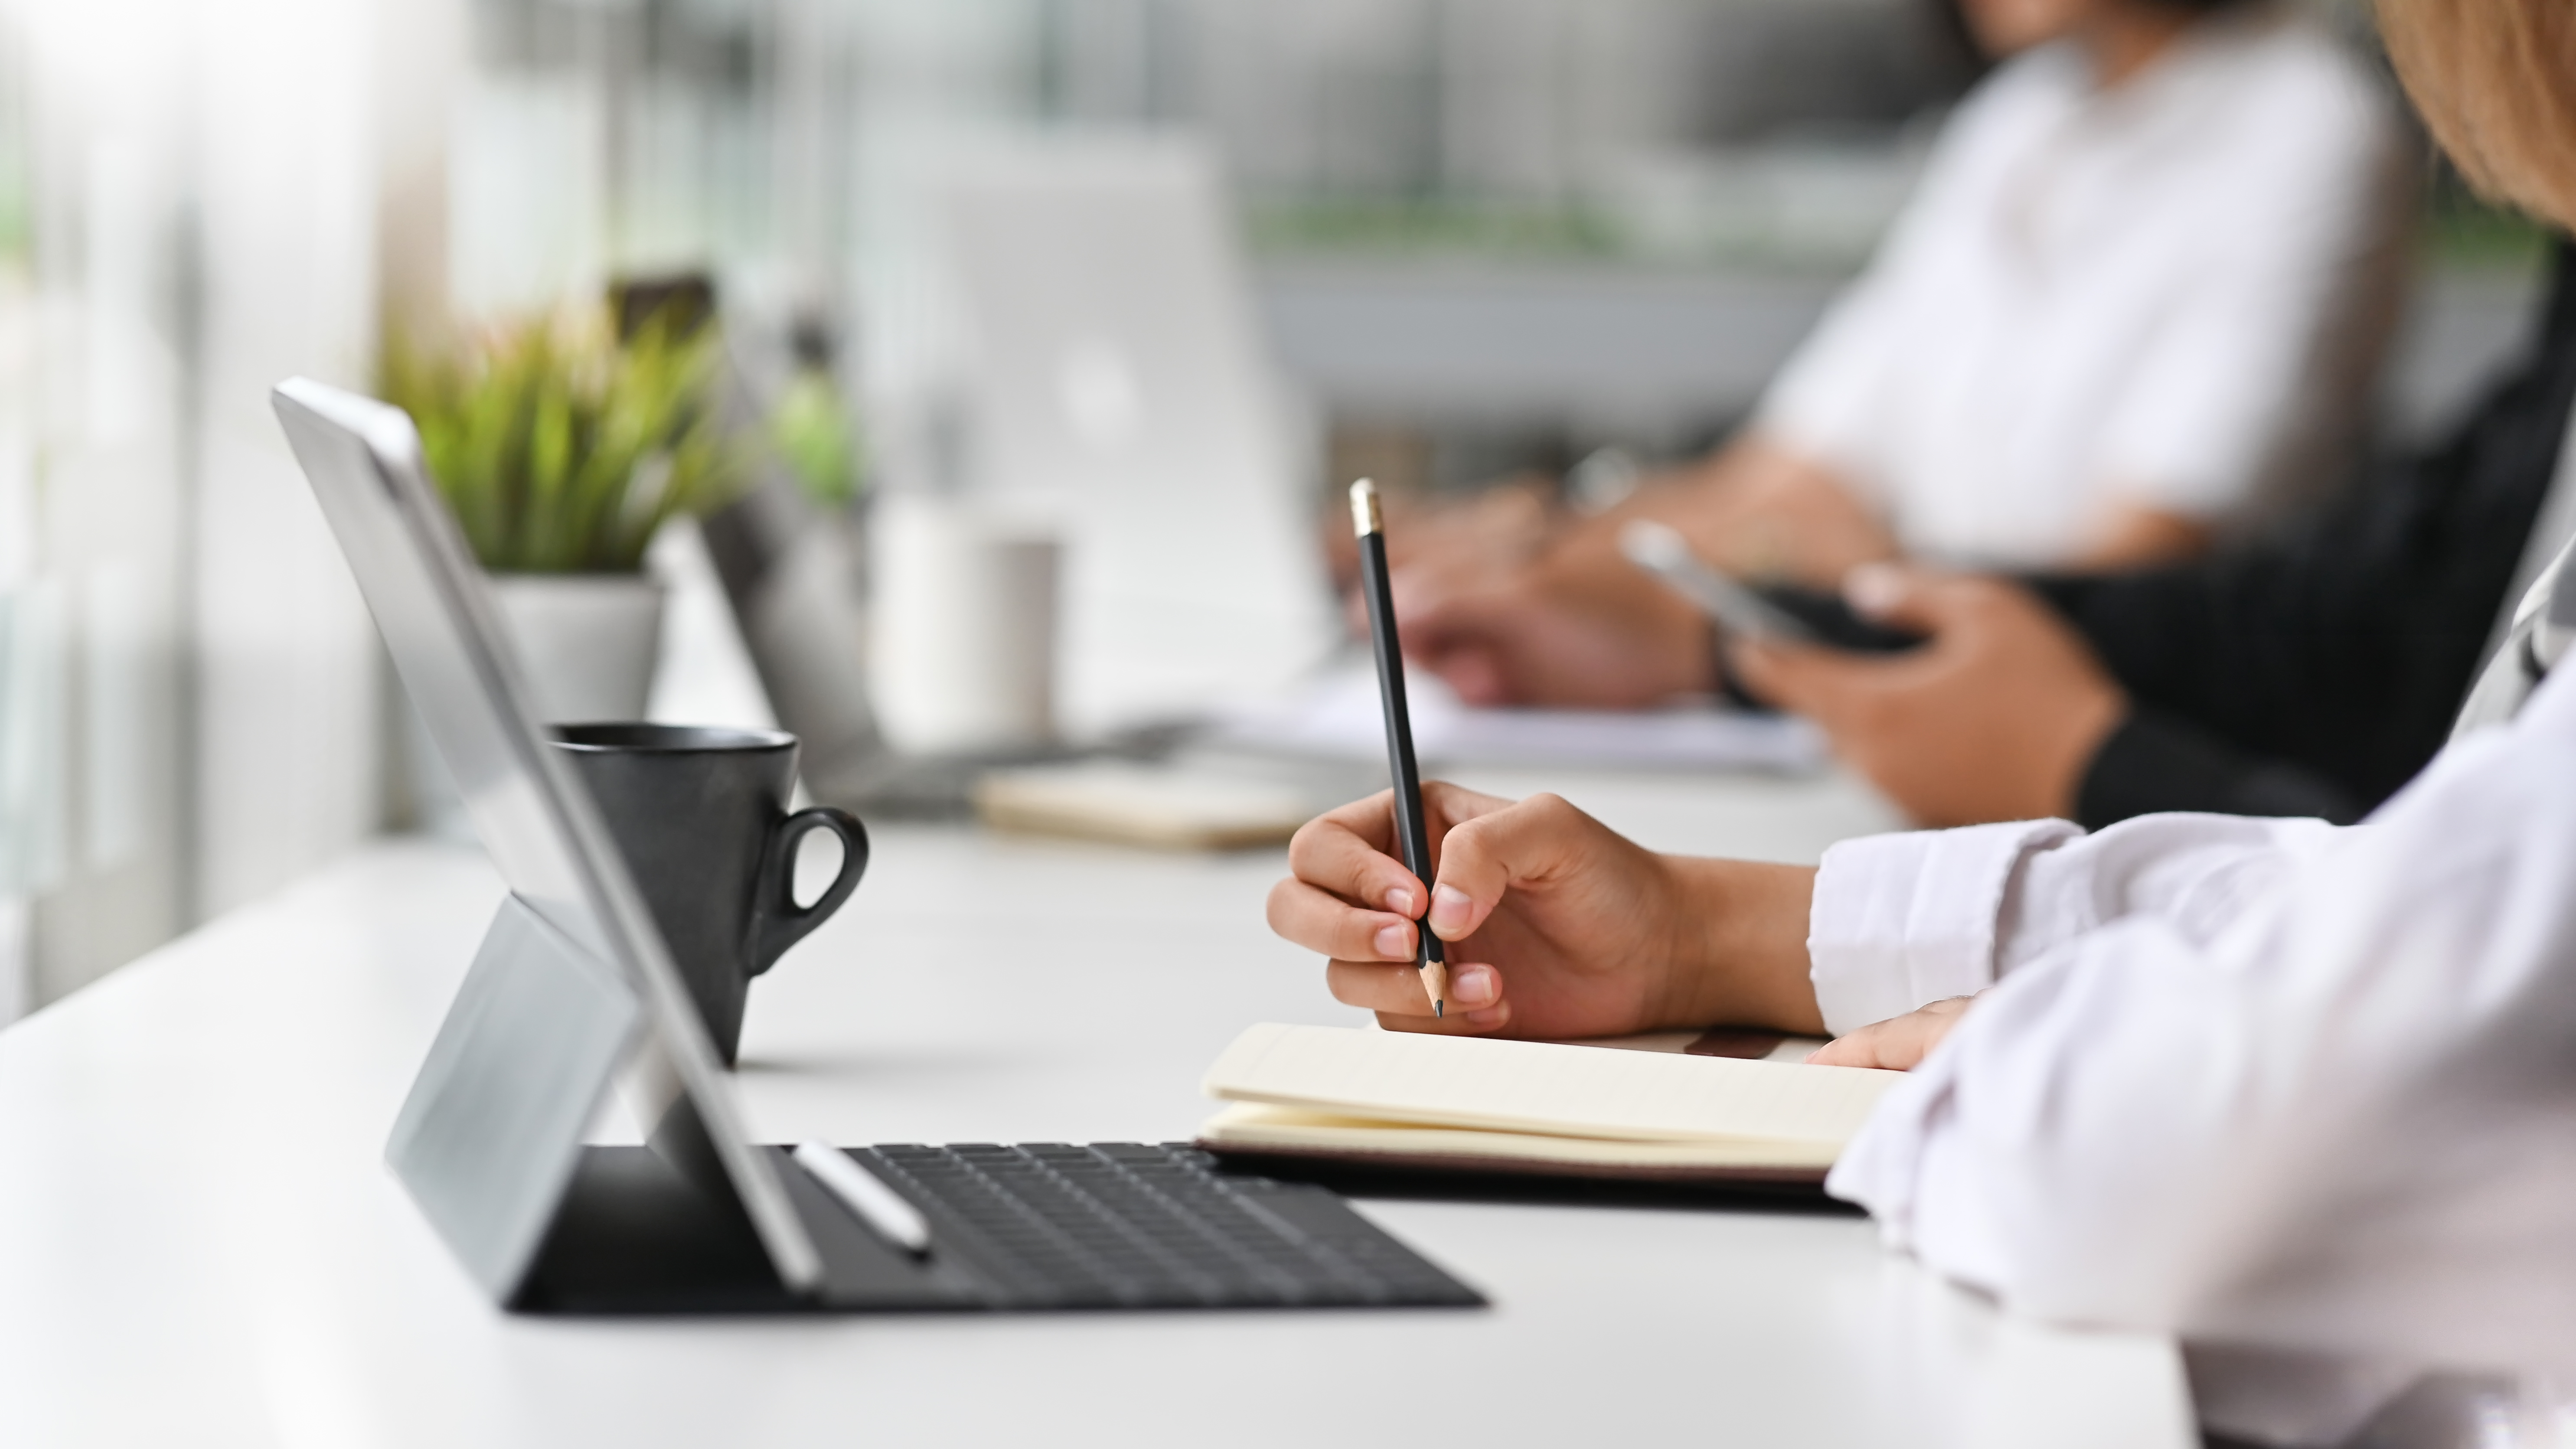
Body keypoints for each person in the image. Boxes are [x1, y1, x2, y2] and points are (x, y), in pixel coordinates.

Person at [1270, 2, 2576, 1414]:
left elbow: (2168, 1158)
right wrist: (1699, 919)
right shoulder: (2023, 127)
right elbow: (2410, 870)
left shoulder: (2300, 124)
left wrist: (2030, 1034)